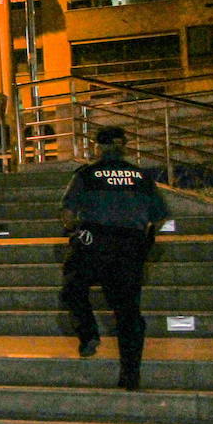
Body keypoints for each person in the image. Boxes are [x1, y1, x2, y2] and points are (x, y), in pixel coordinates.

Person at [60, 126, 170, 390]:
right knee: (128, 313)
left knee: (73, 287)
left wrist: (74, 230)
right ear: (124, 147)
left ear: (98, 147)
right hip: (129, 247)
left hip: (95, 243)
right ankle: (130, 375)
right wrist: (145, 239)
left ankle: (88, 335)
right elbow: (160, 214)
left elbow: (67, 214)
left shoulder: (86, 174)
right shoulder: (141, 177)